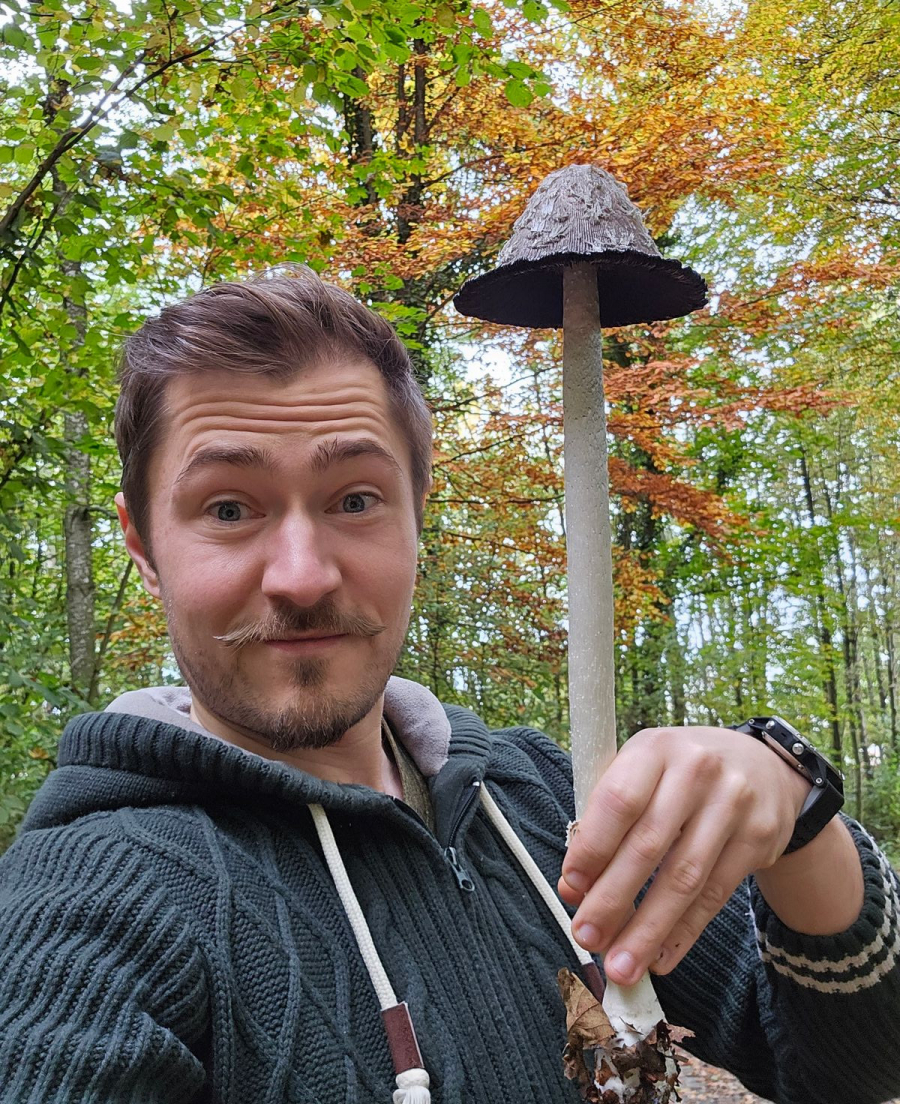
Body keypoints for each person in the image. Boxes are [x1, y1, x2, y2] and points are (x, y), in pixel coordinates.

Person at [0, 265, 898, 1104]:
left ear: (417, 516)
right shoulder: (85, 904)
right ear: (142, 545)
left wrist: (799, 814)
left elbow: (857, 1063)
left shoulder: (544, 794)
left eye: (355, 500)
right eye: (228, 508)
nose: (302, 576)